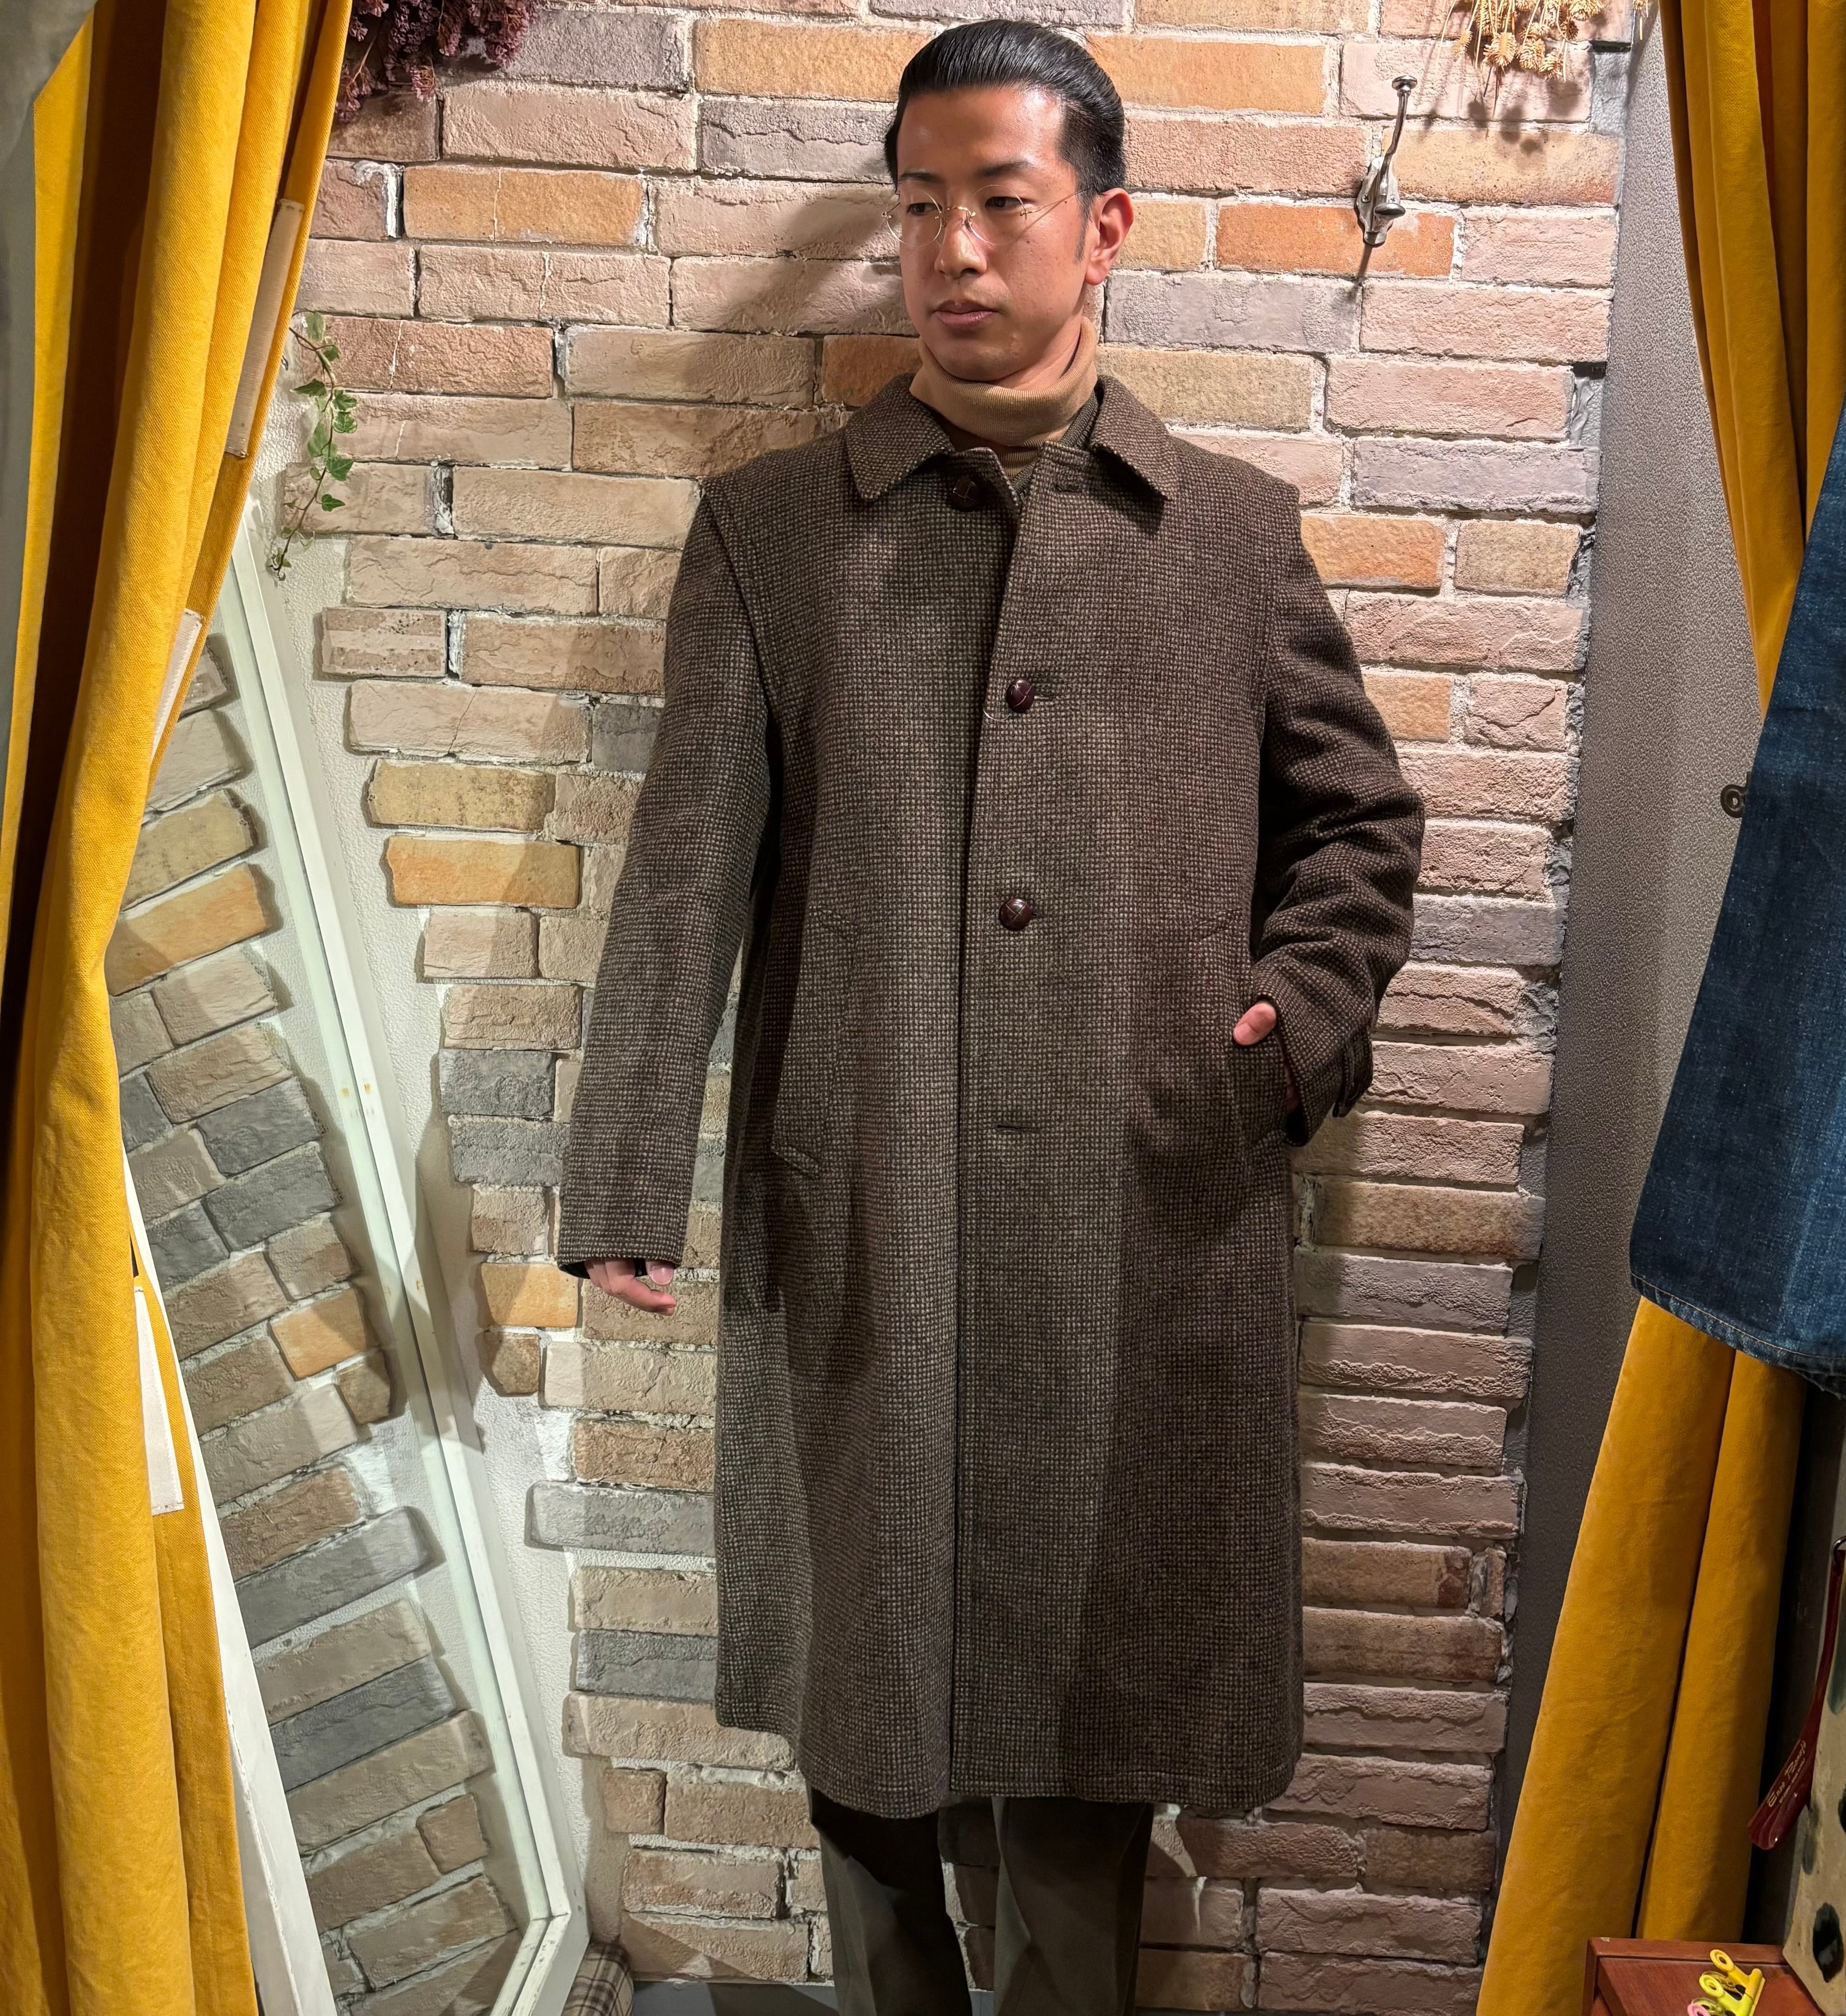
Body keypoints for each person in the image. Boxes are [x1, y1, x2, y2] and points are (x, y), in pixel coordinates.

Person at [557, 20, 1424, 2014]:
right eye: (918, 203)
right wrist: (625, 1174)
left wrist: (1279, 1038)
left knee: (1087, 1745)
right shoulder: (777, 536)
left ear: (1102, 226)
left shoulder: (1228, 537)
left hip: (1143, 1216)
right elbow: (686, 874)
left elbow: (1361, 829)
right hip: (870, 1206)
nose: (951, 247)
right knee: (866, 1734)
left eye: (1000, 201)